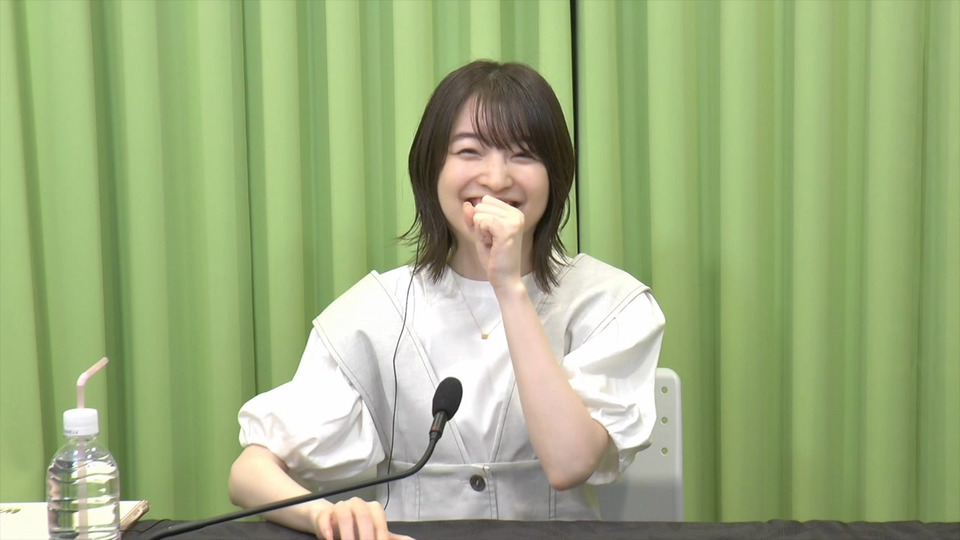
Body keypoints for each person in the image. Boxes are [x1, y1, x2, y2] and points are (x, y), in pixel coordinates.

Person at [228, 60, 665, 540]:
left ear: (556, 175)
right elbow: (249, 474)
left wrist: (508, 285)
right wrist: (324, 516)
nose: (496, 178)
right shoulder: (378, 309)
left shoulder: (609, 303)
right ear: (431, 170)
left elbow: (569, 464)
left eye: (523, 154)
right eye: (469, 151)